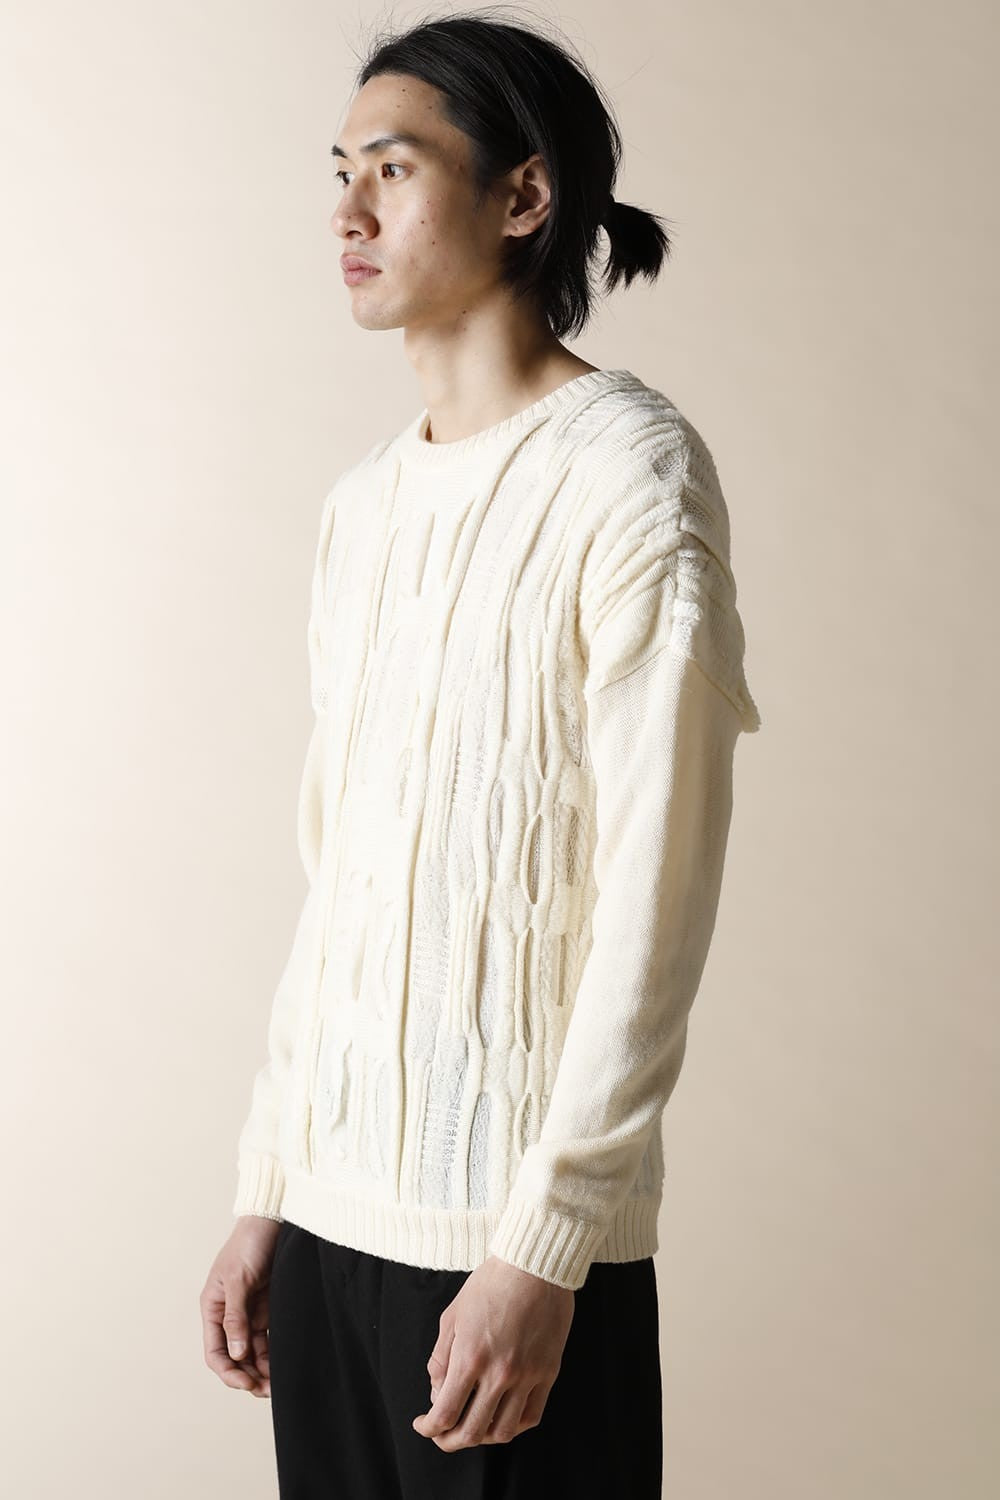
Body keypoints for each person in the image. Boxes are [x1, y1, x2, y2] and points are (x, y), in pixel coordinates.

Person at [199, 8, 762, 1496]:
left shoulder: (629, 472)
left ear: (525, 197)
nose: (348, 211)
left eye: (392, 168)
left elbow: (654, 898)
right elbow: (344, 882)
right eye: (340, 172)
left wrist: (545, 1246)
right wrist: (271, 1184)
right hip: (328, 1237)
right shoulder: (363, 508)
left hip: (508, 1262)